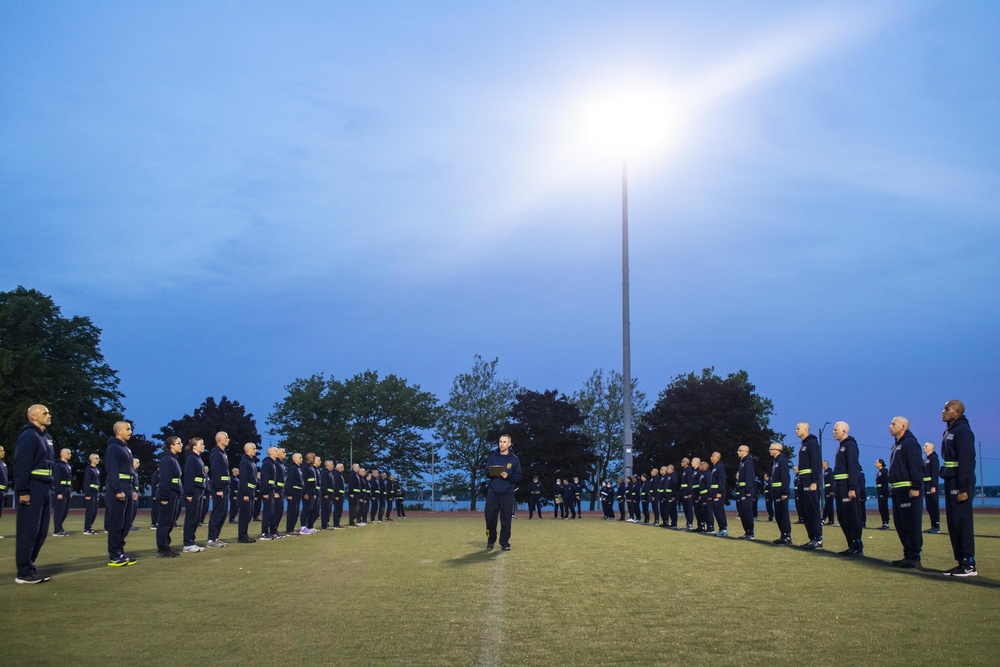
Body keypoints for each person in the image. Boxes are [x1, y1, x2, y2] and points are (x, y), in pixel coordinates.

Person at [13, 404, 55, 583]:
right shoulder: (29, 435)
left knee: (41, 531)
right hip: (32, 487)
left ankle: (30, 566)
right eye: (44, 413)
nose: (49, 415)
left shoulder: (46, 437)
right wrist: (23, 490)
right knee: (28, 530)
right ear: (34, 417)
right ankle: (24, 572)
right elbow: (21, 464)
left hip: (44, 488)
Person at [940, 400, 977, 576]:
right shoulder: (950, 430)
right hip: (950, 480)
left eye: (947, 409)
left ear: (957, 412)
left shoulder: (962, 431)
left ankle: (969, 564)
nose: (943, 411)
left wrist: (963, 488)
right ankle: (961, 562)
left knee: (962, 523)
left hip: (959, 483)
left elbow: (966, 461)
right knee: (954, 523)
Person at [887, 416, 924, 568]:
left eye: (893, 424)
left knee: (911, 525)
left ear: (902, 427)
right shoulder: (897, 445)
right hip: (897, 490)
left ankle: (914, 557)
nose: (890, 426)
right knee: (900, 524)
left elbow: (917, 466)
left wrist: (915, 487)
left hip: (908, 490)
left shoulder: (910, 443)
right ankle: (908, 555)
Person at [105, 421, 137, 566]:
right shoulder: (113, 448)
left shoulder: (126, 448)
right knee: (117, 523)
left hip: (128, 487)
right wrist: (118, 489)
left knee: (125, 522)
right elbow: (112, 470)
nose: (130, 431)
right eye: (127, 429)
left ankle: (120, 551)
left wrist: (132, 490)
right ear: (118, 431)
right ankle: (114, 554)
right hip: (119, 488)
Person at [484, 434, 521, 550]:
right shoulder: (492, 457)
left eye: (504, 442)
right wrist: (493, 472)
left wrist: (508, 476)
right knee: (489, 517)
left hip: (507, 493)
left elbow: (518, 476)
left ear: (509, 444)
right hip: (493, 492)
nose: (502, 444)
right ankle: (491, 539)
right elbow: (486, 472)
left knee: (506, 519)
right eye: (500, 441)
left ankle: (504, 543)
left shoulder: (514, 459)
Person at [832, 422, 863, 556]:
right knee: (842, 517)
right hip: (839, 486)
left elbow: (853, 468)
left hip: (847, 486)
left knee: (851, 517)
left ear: (844, 430)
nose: (833, 432)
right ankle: (851, 545)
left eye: (835, 429)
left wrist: (852, 487)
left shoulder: (850, 446)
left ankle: (857, 545)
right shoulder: (841, 447)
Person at [796, 423, 823, 549]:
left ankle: (818, 538)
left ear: (806, 429)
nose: (796, 430)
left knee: (812, 510)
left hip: (809, 482)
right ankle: (812, 538)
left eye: (798, 428)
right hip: (802, 481)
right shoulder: (803, 445)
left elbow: (816, 463)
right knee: (805, 511)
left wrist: (814, 481)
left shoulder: (812, 443)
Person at [156, 436, 183, 557]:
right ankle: (162, 548)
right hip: (169, 493)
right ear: (171, 445)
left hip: (174, 493)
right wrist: (165, 497)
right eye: (178, 443)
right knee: (165, 522)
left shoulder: (173, 458)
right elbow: (165, 480)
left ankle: (166, 545)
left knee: (170, 521)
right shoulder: (167, 459)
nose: (181, 445)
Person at [181, 437, 207, 553]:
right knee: (191, 518)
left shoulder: (198, 458)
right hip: (194, 491)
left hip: (199, 491)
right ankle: (188, 543)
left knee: (196, 518)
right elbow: (189, 476)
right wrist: (189, 493)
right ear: (194, 446)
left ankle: (191, 541)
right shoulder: (191, 458)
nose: (203, 446)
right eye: (201, 444)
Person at [206, 431, 231, 548]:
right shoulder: (216, 453)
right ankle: (211, 540)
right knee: (217, 514)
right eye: (226, 437)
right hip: (220, 489)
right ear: (219, 440)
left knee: (222, 514)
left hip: (225, 489)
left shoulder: (223, 453)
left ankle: (216, 537)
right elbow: (216, 472)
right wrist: (219, 488)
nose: (228, 439)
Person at [769, 442, 792, 545]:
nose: (769, 450)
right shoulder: (776, 461)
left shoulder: (782, 460)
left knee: (783, 514)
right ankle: (783, 535)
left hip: (780, 492)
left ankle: (787, 536)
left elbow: (785, 477)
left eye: (771, 448)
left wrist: (785, 492)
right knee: (778, 514)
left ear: (777, 450)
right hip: (776, 491)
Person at [237, 442, 257, 543]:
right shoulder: (245, 462)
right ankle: (242, 536)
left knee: (248, 515)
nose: (255, 450)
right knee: (244, 515)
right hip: (246, 492)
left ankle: (245, 535)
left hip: (251, 491)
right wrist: (245, 493)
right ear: (247, 450)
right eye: (253, 448)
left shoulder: (251, 461)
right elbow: (243, 478)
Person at [51, 447, 73, 537]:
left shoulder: (67, 465)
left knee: (65, 510)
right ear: (62, 454)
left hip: (67, 489)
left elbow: (69, 479)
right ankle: (57, 530)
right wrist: (59, 492)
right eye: (68, 453)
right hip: (61, 490)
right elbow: (57, 480)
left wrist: (70, 490)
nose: (70, 455)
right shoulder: (58, 466)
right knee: (59, 510)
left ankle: (60, 527)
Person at [735, 446, 755, 539]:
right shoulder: (742, 462)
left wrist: (748, 490)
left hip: (746, 491)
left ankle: (750, 532)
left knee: (747, 512)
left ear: (746, 451)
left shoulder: (747, 462)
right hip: (742, 490)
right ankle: (746, 531)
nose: (737, 452)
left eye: (740, 450)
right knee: (743, 512)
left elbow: (749, 478)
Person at [258, 447, 277, 540]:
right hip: (268, 491)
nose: (277, 452)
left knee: (271, 512)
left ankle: (272, 532)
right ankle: (264, 532)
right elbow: (264, 479)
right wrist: (264, 492)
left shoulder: (272, 463)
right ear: (271, 453)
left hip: (271, 490)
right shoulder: (267, 463)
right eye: (276, 451)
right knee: (267, 512)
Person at [922, 442, 941, 534]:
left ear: (930, 448)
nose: (923, 447)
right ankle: (933, 526)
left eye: (925, 446)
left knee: (933, 505)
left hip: (931, 485)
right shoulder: (925, 459)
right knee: (929, 506)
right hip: (925, 485)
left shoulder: (934, 458)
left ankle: (936, 526)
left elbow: (935, 473)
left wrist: (933, 486)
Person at [285, 452, 304, 535]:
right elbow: (290, 481)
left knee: (295, 512)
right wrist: (289, 494)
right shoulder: (293, 468)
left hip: (298, 492)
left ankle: (291, 528)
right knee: (292, 511)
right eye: (300, 457)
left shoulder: (298, 468)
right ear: (295, 459)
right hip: (293, 493)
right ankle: (289, 529)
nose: (302, 459)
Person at [710, 451, 728, 537]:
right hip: (714, 492)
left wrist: (719, 492)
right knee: (716, 511)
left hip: (718, 492)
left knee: (719, 511)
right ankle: (721, 528)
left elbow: (721, 480)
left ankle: (724, 529)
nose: (711, 458)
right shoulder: (715, 467)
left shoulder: (720, 466)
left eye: (712, 456)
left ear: (716, 457)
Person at [272, 448, 287, 537]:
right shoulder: (276, 464)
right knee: (276, 512)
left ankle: (275, 529)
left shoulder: (281, 464)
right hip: (277, 491)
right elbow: (273, 478)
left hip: (281, 491)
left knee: (279, 512)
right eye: (283, 452)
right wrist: (276, 491)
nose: (285, 453)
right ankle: (273, 530)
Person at [679, 458, 694, 529]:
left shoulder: (689, 470)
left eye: (682, 462)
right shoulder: (684, 471)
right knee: (685, 508)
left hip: (687, 492)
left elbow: (689, 482)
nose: (681, 463)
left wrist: (689, 492)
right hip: (683, 492)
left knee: (688, 507)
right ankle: (688, 522)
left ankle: (690, 523)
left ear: (686, 462)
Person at [875, 458, 890, 529]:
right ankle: (883, 522)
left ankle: (886, 523)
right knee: (881, 508)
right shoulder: (879, 472)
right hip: (879, 491)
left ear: (881, 463)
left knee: (884, 507)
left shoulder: (884, 472)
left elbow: (885, 482)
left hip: (883, 491)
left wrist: (884, 492)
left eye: (877, 462)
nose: (875, 464)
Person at [822, 460, 835, 526]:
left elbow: (832, 481)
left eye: (822, 463)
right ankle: (831, 520)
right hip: (827, 490)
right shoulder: (825, 472)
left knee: (828, 505)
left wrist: (832, 490)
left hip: (829, 490)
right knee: (830, 505)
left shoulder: (829, 471)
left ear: (825, 464)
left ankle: (823, 518)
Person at [333, 462, 347, 527]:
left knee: (339, 510)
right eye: (342, 467)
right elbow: (336, 486)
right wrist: (336, 495)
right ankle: (336, 524)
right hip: (338, 495)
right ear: (338, 468)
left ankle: (337, 523)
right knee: (337, 510)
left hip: (341, 495)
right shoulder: (337, 475)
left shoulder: (339, 475)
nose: (343, 468)